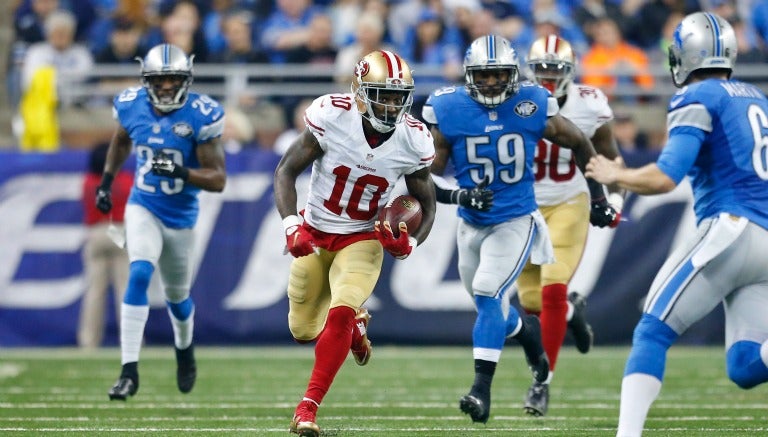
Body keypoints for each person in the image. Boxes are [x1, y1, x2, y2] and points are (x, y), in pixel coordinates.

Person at [584, 12, 768, 436]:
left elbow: (666, 177)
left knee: (652, 331)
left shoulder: (698, 96)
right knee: (745, 366)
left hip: (732, 228)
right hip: (765, 236)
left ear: (688, 55)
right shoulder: (757, 97)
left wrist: (617, 174)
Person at [422, 34, 619, 424]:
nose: (491, 82)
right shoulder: (448, 108)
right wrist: (458, 196)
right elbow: (426, 176)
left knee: (496, 289)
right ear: (469, 75)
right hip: (472, 222)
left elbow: (583, 143)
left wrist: (600, 198)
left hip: (522, 215)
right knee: (502, 305)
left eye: (498, 74)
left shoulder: (533, 103)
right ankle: (530, 331)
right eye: (483, 75)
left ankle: (487, 389)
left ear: (512, 74)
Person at [273, 49, 436, 437]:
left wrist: (410, 243)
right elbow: (286, 171)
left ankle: (307, 408)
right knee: (302, 330)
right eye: (384, 95)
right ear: (361, 93)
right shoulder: (332, 116)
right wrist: (292, 226)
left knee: (341, 311)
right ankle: (356, 331)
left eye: (399, 97)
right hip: (315, 231)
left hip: (363, 236)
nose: (393, 105)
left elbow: (427, 205)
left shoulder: (413, 139)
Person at [95, 43, 227, 401]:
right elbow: (121, 141)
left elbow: (218, 179)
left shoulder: (201, 115)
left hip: (181, 217)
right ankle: (128, 372)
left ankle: (184, 350)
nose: (167, 86)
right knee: (139, 272)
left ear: (186, 79)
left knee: (178, 298)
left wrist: (181, 172)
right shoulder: (130, 105)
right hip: (143, 205)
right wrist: (106, 182)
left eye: (173, 79)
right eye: (159, 80)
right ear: (146, 80)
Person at [514, 34, 625, 416]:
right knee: (531, 302)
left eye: (554, 69)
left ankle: (541, 382)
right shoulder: (514, 101)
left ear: (570, 72)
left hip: (569, 202)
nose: (547, 76)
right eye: (541, 69)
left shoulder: (589, 104)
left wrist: (614, 200)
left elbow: (610, 158)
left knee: (552, 289)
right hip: (523, 207)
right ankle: (573, 313)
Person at [79, 143, 133, 349]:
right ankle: (131, 340)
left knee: (94, 292)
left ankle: (88, 341)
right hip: (120, 230)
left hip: (97, 231)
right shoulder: (126, 180)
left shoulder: (88, 182)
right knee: (125, 290)